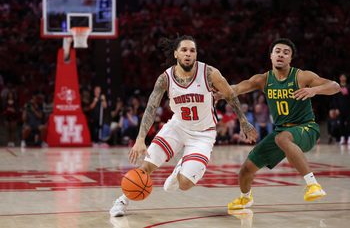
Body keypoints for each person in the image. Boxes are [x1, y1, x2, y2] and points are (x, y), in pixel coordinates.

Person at [110, 35, 257, 217]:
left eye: (192, 50)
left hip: (203, 134)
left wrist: (243, 121)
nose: (188, 53)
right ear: (176, 54)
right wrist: (140, 139)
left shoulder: (210, 73)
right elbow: (151, 107)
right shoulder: (165, 78)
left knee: (184, 184)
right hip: (177, 127)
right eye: (184, 50)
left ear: (196, 54)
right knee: (146, 166)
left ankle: (180, 168)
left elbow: (230, 95)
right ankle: (122, 201)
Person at [226, 38, 340, 210]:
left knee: (283, 139)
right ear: (271, 56)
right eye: (277, 51)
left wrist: (314, 90)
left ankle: (313, 185)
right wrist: (221, 92)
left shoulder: (302, 76)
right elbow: (239, 87)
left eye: (286, 52)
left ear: (290, 59)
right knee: (246, 170)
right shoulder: (263, 79)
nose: (281, 54)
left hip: (306, 128)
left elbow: (335, 86)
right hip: (281, 131)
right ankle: (245, 199)